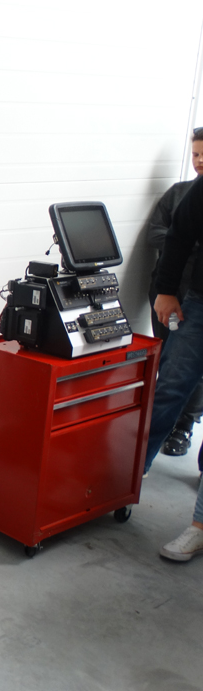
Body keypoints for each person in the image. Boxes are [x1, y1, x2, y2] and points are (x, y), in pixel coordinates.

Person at [147, 127, 203, 462]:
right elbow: (178, 235)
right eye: (196, 153)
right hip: (199, 301)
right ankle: (131, 469)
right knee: (170, 385)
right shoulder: (191, 191)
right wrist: (166, 290)